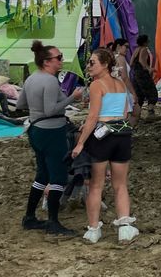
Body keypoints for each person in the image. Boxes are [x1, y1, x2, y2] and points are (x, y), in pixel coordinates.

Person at [72, 48, 139, 244]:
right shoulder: (119, 84)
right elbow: (126, 112)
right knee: (120, 184)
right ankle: (125, 228)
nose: (88, 66)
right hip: (122, 133)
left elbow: (93, 116)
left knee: (96, 186)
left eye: (92, 62)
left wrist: (81, 142)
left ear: (105, 65)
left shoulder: (96, 85)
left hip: (102, 135)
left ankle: (93, 229)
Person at [17, 41, 83, 235]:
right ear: (47, 62)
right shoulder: (50, 80)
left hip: (35, 129)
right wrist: (73, 97)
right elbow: (50, 110)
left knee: (42, 174)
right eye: (59, 57)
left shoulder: (31, 79)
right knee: (58, 176)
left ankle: (29, 217)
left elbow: (20, 103)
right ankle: (53, 222)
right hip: (51, 131)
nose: (62, 60)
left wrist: (36, 108)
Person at [112, 38, 141, 125]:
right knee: (134, 112)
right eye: (126, 47)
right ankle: (127, 133)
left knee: (127, 113)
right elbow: (125, 77)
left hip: (116, 89)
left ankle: (126, 133)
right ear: (118, 46)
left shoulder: (112, 57)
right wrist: (133, 93)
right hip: (123, 89)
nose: (127, 50)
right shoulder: (120, 58)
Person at [130, 34, 159, 120]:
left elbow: (131, 63)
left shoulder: (136, 50)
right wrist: (149, 69)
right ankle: (151, 113)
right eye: (148, 40)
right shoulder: (144, 50)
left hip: (135, 75)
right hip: (143, 75)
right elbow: (142, 61)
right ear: (145, 42)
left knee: (139, 95)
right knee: (152, 93)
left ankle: (136, 116)